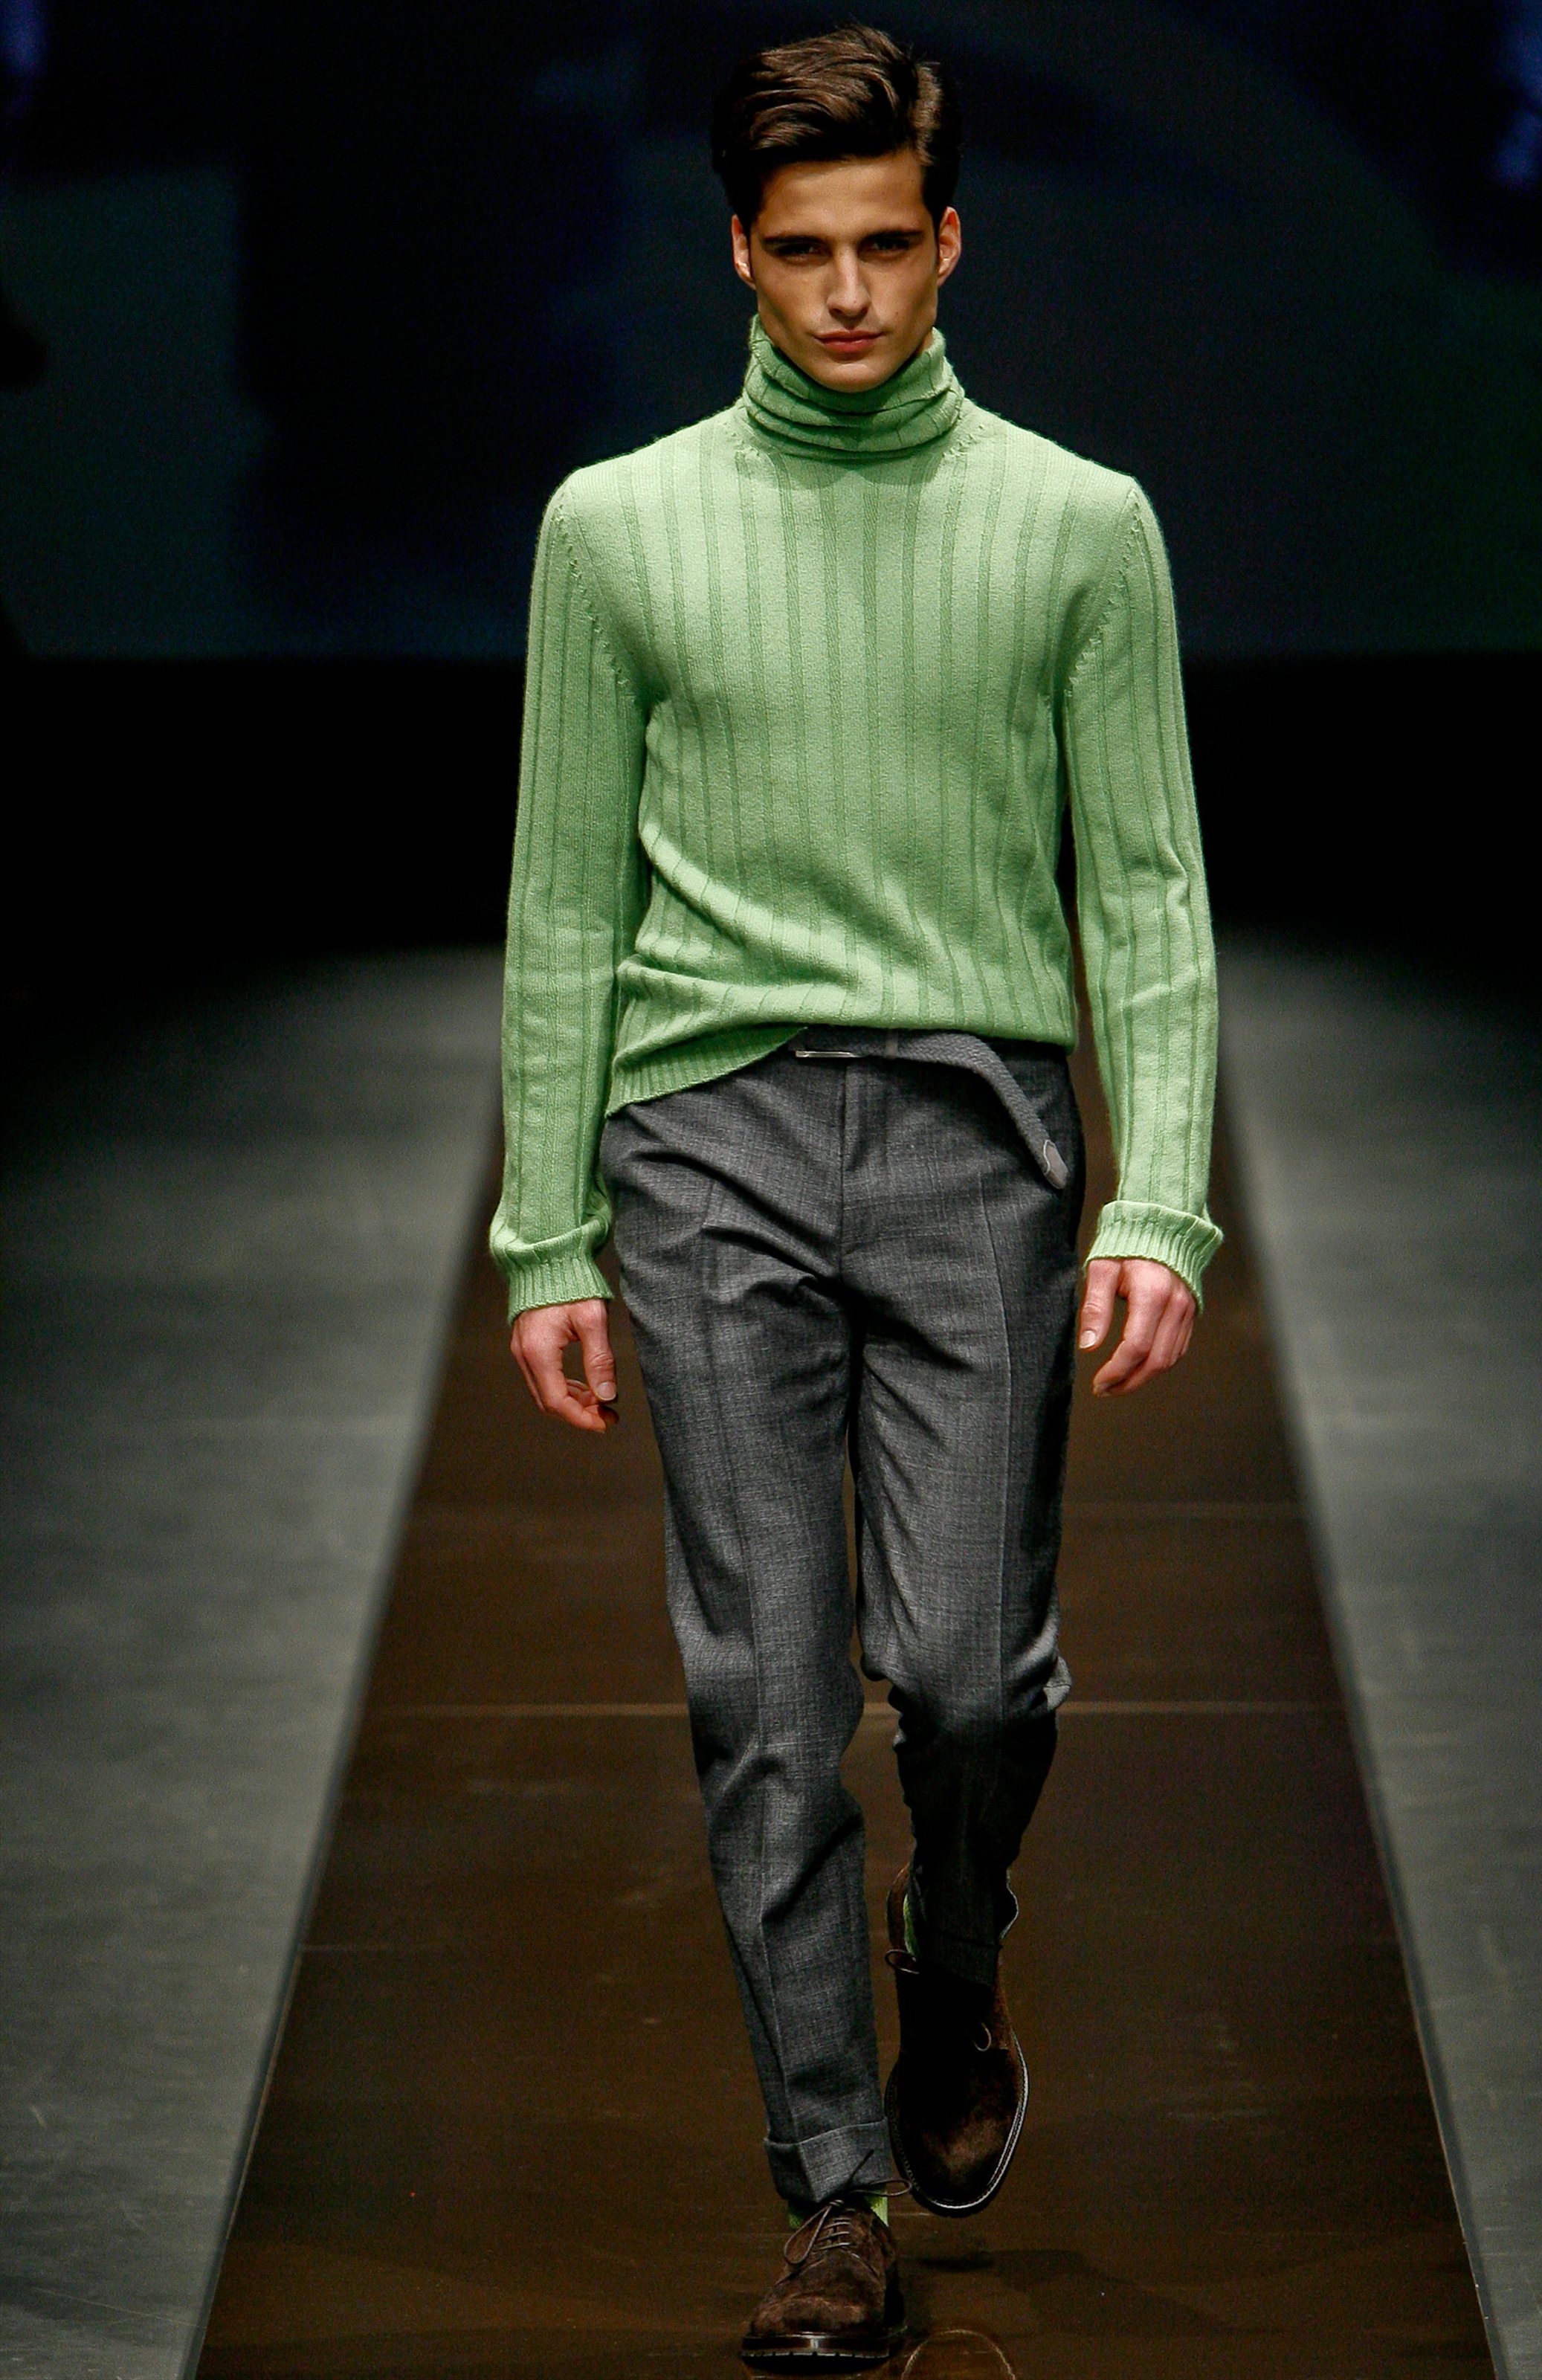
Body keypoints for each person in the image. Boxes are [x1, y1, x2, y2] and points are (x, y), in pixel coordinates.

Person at [492, 25, 1219, 2369]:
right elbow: (564, 901)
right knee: (758, 1691)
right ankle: (831, 2194)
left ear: (949, 238)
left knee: (975, 1682)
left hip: (978, 1136)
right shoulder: (615, 528)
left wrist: (1162, 1198)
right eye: (800, 249)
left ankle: (958, 1958)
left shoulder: (1078, 526)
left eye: (884, 245)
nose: (843, 295)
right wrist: (543, 1226)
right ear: (737, 246)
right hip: (701, 1141)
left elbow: (1149, 885)